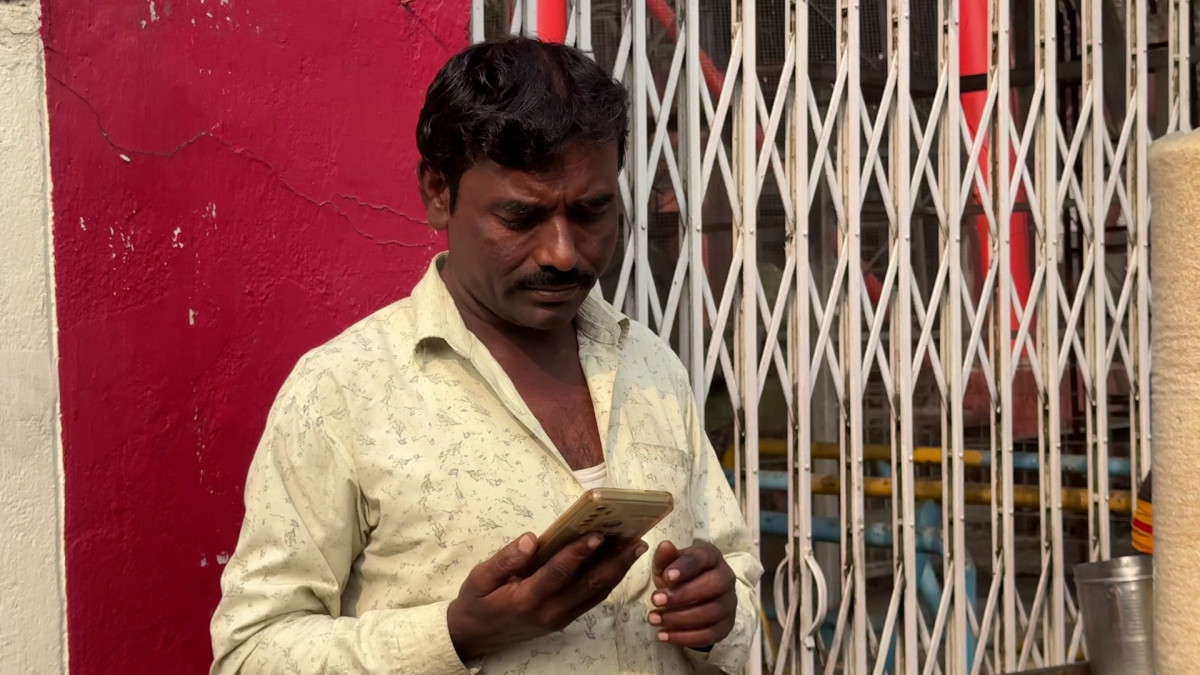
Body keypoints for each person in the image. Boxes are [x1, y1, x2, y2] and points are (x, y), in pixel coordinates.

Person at [209, 37, 763, 674]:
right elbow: (250, 654)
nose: (563, 252)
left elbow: (735, 573)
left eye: (592, 211)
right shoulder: (341, 391)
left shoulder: (650, 367)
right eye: (521, 217)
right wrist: (456, 634)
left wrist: (718, 615)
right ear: (439, 191)